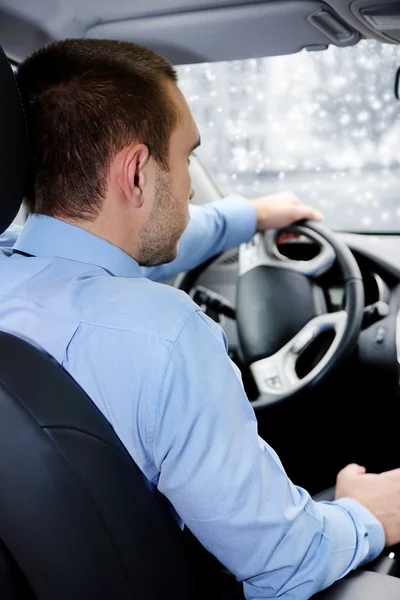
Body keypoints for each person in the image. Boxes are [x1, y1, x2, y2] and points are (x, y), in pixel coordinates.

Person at [2, 38, 400, 600]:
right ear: (136, 173)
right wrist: (368, 512)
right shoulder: (167, 334)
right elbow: (284, 566)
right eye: (186, 157)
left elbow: (133, 236)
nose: (189, 185)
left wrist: (251, 216)